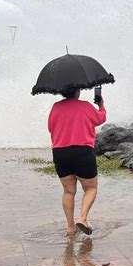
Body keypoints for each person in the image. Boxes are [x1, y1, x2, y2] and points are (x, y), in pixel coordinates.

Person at [47, 88, 106, 235]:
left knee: (68, 191)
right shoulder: (85, 106)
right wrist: (101, 105)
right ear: (78, 91)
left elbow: (50, 128)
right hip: (82, 152)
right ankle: (82, 218)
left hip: (60, 153)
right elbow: (100, 119)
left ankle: (70, 227)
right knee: (90, 188)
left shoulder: (56, 107)